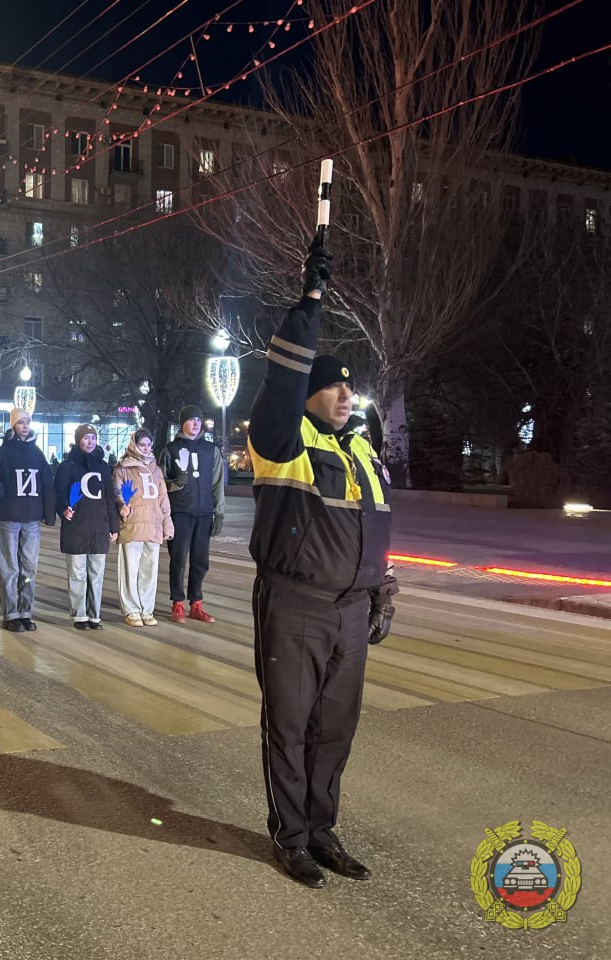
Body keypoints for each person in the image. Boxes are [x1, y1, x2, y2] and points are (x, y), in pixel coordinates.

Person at [248, 236, 397, 888]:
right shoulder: (284, 442)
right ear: (308, 395)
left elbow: (374, 528)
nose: (345, 394)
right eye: (333, 386)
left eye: (349, 386)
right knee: (289, 724)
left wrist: (382, 586)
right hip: (296, 606)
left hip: (350, 614)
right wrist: (309, 302)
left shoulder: (361, 451)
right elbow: (282, 376)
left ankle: (320, 825)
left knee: (334, 727)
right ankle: (290, 837)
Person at [0, 408, 56, 631]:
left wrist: (48, 513)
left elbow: (47, 484)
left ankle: (26, 611)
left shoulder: (37, 453)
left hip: (31, 520)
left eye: (27, 422)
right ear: (13, 426)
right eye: (20, 422)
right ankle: (10, 613)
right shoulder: (3, 453)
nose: (25, 426)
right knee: (10, 568)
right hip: (9, 519)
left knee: (29, 569)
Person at [160, 405, 225, 624]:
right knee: (178, 560)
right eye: (191, 420)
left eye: (199, 419)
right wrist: (175, 485)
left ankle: (196, 603)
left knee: (200, 561)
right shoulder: (171, 449)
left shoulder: (211, 450)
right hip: (180, 512)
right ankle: (177, 603)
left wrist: (219, 513)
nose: (196, 423)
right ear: (182, 423)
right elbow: (159, 484)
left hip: (204, 512)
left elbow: (217, 484)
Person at [53, 424, 120, 630]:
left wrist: (113, 525)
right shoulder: (68, 466)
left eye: (93, 438)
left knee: (96, 575)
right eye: (85, 438)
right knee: (78, 574)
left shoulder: (102, 467)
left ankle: (94, 614)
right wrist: (64, 509)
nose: (90, 442)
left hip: (99, 528)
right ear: (78, 440)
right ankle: (79, 615)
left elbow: (109, 498)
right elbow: (60, 493)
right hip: (76, 527)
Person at [113, 429, 173, 626]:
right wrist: (122, 506)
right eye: (142, 445)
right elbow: (117, 493)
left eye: (149, 445)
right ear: (133, 445)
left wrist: (167, 522)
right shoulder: (123, 468)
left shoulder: (156, 469)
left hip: (153, 525)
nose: (146, 448)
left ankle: (147, 609)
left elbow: (163, 498)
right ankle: (131, 610)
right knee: (130, 569)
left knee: (149, 570)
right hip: (132, 524)